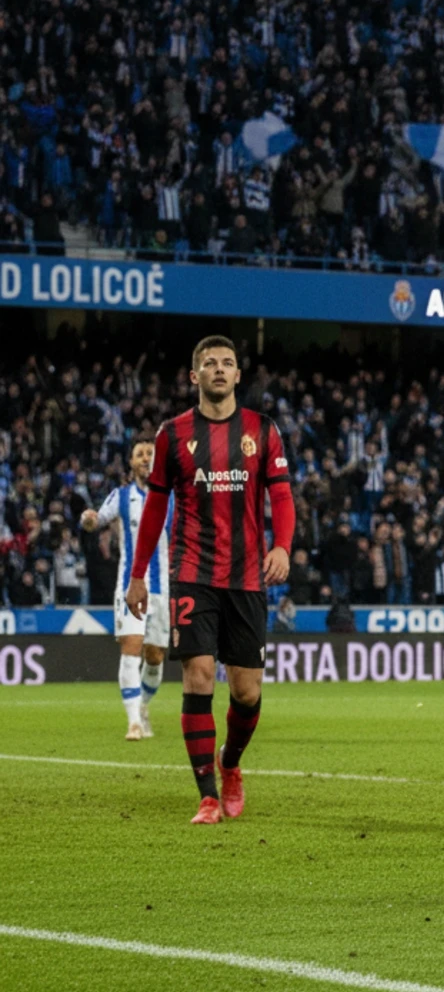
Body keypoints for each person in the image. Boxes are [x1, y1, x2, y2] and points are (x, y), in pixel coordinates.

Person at [126, 336, 294, 825]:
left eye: (227, 363)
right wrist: (138, 575)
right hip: (193, 573)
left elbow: (281, 497)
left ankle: (231, 764)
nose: (218, 370)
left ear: (239, 375)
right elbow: (156, 507)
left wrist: (282, 545)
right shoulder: (172, 434)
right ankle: (206, 795)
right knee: (198, 677)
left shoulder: (263, 431)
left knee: (246, 692)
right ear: (194, 375)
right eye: (209, 364)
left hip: (246, 577)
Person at [79, 438, 171, 740]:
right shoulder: (121, 496)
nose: (145, 458)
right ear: (131, 463)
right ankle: (133, 721)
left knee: (155, 656)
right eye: (139, 454)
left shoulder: (174, 498)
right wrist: (89, 519)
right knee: (131, 648)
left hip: (163, 589)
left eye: (150, 454)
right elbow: (97, 519)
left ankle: (143, 706)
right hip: (130, 586)